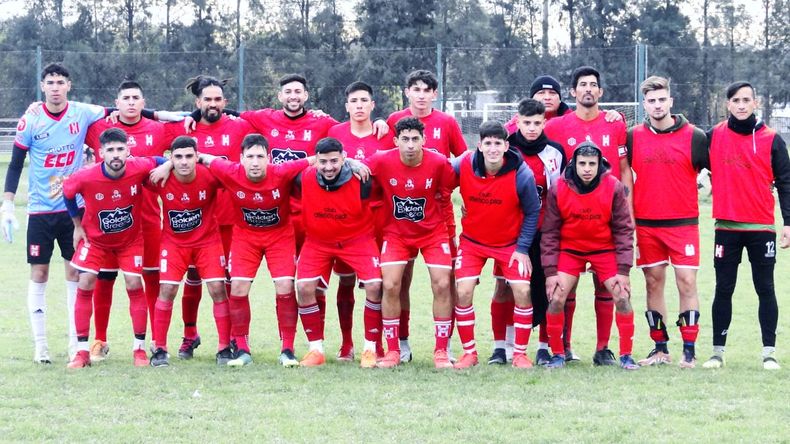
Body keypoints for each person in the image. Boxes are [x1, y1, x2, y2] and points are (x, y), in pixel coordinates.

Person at [2, 63, 106, 363]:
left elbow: (120, 110)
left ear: (69, 86)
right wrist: (7, 205)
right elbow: (15, 164)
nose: (56, 87)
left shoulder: (82, 112)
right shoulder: (31, 119)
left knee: (74, 272)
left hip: (74, 211)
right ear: (43, 86)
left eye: (61, 81)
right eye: (51, 82)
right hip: (40, 212)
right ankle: (41, 345)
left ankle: (76, 343)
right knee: (40, 272)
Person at [198, 133, 314, 367]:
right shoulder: (230, 171)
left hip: (280, 236)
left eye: (260, 156)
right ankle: (242, 349)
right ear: (241, 158)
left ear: (269, 158)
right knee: (238, 287)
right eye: (249, 156)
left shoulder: (282, 172)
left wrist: (351, 161)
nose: (255, 162)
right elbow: (201, 157)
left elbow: (314, 159)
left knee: (285, 286)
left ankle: (287, 349)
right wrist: (169, 163)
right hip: (245, 237)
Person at [543, 66, 632, 365]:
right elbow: (520, 131)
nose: (588, 90)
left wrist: (627, 210)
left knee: (606, 287)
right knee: (565, 291)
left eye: (594, 85)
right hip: (570, 222)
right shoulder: (556, 126)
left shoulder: (614, 122)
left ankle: (604, 348)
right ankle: (563, 348)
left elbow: (623, 169)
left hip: (605, 221)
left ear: (601, 92)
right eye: (583, 85)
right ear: (573, 92)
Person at [165, 75, 254, 360]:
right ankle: (190, 335)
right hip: (194, 221)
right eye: (207, 100)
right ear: (198, 102)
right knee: (192, 279)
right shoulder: (185, 128)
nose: (213, 104)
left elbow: (275, 123)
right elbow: (152, 142)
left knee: (228, 282)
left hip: (231, 218)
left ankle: (232, 341)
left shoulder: (239, 126)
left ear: (225, 103)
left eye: (218, 100)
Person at [703, 81, 790, 370]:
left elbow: (786, 183)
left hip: (761, 228)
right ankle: (717, 353)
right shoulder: (713, 135)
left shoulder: (772, 139)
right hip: (725, 228)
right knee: (723, 289)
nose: (741, 105)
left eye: (746, 100)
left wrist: (788, 222)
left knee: (765, 288)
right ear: (728, 104)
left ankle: (769, 353)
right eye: (736, 100)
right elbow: (688, 156)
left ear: (755, 103)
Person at [83, 80, 171, 362]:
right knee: (104, 279)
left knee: (149, 278)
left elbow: (189, 137)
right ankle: (100, 340)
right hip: (109, 221)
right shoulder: (98, 129)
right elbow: (67, 122)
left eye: (136, 98)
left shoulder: (158, 129)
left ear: (144, 103)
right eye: (125, 98)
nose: (131, 102)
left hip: (147, 219)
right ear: (116, 103)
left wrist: (168, 163)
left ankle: (156, 342)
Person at [61, 128, 163, 368]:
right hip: (96, 241)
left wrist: (167, 166)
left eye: (120, 149)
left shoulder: (138, 166)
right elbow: (67, 193)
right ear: (100, 153)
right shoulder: (86, 176)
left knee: (134, 283)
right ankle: (82, 351)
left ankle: (139, 350)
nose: (116, 155)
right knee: (85, 282)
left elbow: (159, 160)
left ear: (128, 150)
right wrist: (77, 225)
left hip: (129, 241)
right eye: (110, 150)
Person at [386, 69, 467, 362]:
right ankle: (401, 344)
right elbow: (383, 163)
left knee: (446, 280)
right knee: (398, 280)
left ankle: (444, 346)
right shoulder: (394, 121)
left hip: (439, 214)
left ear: (435, 94)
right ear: (407, 92)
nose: (421, 95)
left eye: (426, 90)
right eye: (415, 89)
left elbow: (463, 162)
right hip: (400, 217)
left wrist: (444, 187)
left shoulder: (447, 122)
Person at [627, 76, 708, 368]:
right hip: (647, 225)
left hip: (684, 224)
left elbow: (716, 172)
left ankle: (689, 349)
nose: (657, 105)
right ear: (644, 104)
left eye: (662, 99)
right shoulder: (633, 136)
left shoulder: (695, 136)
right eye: (651, 101)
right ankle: (660, 348)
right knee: (652, 283)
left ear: (671, 101)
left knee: (687, 282)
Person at [367, 117, 457, 369]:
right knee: (391, 284)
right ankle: (394, 350)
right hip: (396, 233)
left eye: (415, 139)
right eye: (404, 139)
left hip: (432, 232)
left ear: (424, 140)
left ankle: (441, 350)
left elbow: (452, 185)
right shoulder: (381, 159)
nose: (409, 145)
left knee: (442, 284)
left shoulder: (438, 162)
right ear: (395, 141)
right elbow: (356, 167)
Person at [451, 121, 540, 369]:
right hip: (472, 242)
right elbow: (438, 171)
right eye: (487, 143)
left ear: (506, 145)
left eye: (497, 143)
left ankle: (519, 354)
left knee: (522, 291)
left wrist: (522, 249)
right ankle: (469, 353)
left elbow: (533, 211)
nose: (492, 148)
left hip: (509, 244)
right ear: (479, 145)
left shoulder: (522, 174)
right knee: (464, 291)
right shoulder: (465, 163)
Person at [541, 141, 637, 370]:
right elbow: (550, 232)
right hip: (570, 249)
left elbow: (624, 230)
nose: (587, 169)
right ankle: (557, 354)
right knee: (556, 298)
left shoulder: (613, 186)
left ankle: (625, 355)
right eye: (582, 163)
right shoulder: (558, 188)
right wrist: (550, 273)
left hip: (604, 249)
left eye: (592, 164)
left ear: (599, 164)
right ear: (574, 164)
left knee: (622, 296)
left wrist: (623, 271)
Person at [488, 98, 566, 366]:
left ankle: (544, 347)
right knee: (504, 288)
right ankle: (503, 347)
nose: (531, 128)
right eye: (526, 123)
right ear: (517, 121)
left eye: (537, 123)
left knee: (548, 289)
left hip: (545, 233)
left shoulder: (555, 152)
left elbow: (559, 195)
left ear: (545, 122)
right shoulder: (506, 148)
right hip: (510, 233)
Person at [293, 138, 382, 367]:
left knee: (374, 285)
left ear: (343, 158)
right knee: (303, 287)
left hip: (357, 239)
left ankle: (370, 348)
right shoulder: (303, 177)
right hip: (318, 241)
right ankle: (316, 350)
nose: (329, 166)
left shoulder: (361, 179)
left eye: (334, 160)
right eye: (323, 162)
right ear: (315, 161)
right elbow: (277, 173)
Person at [146, 136, 234, 367]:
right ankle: (160, 349)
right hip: (173, 244)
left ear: (197, 157)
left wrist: (207, 159)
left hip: (208, 242)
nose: (184, 162)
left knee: (217, 289)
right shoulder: (160, 177)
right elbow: (136, 167)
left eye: (188, 156)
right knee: (167, 290)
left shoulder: (210, 175)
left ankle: (224, 347)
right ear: (171, 159)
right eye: (178, 157)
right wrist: (163, 164)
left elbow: (233, 171)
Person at [325, 81, 393, 361]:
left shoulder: (385, 134)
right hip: (346, 217)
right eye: (354, 101)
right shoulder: (335, 133)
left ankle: (375, 344)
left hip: (378, 216)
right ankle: (346, 343)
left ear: (373, 105)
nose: (359, 106)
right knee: (346, 282)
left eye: (365, 100)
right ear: (347, 106)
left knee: (377, 283)